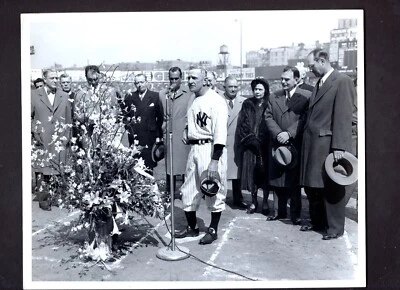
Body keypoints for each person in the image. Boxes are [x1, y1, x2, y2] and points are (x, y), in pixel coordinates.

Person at [300, 49, 355, 240]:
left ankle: (334, 228)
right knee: (314, 186)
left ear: (322, 61)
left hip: (328, 144)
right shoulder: (320, 82)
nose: (310, 69)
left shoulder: (342, 81)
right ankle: (318, 223)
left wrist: (339, 146)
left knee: (331, 187)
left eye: (311, 65)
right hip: (314, 144)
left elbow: (343, 115)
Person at [175, 68, 229, 245]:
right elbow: (190, 120)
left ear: (205, 80)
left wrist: (214, 161)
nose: (190, 81)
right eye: (188, 77)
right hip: (195, 148)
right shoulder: (193, 98)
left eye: (194, 78)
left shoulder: (217, 101)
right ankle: (192, 228)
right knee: (189, 189)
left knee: (213, 189)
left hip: (211, 148)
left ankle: (212, 230)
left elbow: (220, 133)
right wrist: (185, 130)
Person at [265, 66, 311, 225]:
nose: (283, 82)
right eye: (282, 79)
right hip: (277, 144)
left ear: (297, 80)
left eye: (287, 79)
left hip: (294, 144)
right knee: (277, 179)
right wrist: (278, 133)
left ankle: (295, 214)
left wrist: (289, 133)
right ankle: (278, 211)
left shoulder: (306, 97)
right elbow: (268, 117)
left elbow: (304, 118)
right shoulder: (274, 97)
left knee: (294, 182)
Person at [31, 69, 72, 210]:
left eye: (56, 78)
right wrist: (35, 131)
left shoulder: (64, 96)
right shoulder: (34, 95)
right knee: (43, 171)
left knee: (59, 169)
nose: (55, 80)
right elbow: (28, 116)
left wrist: (67, 137)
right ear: (44, 79)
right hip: (42, 138)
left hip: (60, 139)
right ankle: (44, 200)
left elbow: (68, 119)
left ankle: (58, 198)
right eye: (52, 78)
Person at [236, 77, 271, 215]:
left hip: (266, 146)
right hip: (251, 146)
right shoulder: (248, 103)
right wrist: (251, 139)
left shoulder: (270, 103)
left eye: (260, 89)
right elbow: (243, 124)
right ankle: (254, 201)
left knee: (266, 174)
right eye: (255, 89)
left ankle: (266, 202)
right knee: (252, 175)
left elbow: (271, 121)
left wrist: (263, 140)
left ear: (265, 90)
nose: (257, 92)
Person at [159, 67, 194, 192]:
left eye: (176, 78)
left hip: (184, 136)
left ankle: (187, 192)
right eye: (171, 79)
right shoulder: (163, 95)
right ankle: (170, 192)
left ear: (181, 78)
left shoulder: (189, 93)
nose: (173, 81)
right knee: (170, 166)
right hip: (168, 135)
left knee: (186, 166)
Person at [121, 73, 163, 174]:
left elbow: (160, 118)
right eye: (137, 83)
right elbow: (125, 116)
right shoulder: (130, 97)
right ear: (135, 84)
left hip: (150, 137)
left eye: (142, 82)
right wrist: (129, 130)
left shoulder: (155, 96)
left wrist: (158, 137)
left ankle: (148, 188)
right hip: (135, 137)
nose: (140, 85)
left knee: (148, 167)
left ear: (146, 82)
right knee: (135, 166)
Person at [74, 65, 120, 144]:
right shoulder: (80, 93)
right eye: (90, 80)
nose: (93, 82)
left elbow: (114, 111)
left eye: (95, 79)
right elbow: (77, 115)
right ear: (86, 78)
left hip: (105, 133)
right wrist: (87, 117)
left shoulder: (109, 91)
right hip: (88, 134)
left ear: (99, 76)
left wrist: (106, 120)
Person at [223, 76, 247, 209]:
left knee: (237, 173)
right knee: (221, 172)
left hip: (237, 143)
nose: (233, 89)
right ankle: (219, 197)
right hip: (222, 142)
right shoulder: (217, 101)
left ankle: (238, 198)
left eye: (235, 87)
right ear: (224, 87)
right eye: (230, 86)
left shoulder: (244, 102)